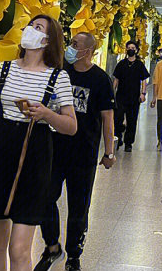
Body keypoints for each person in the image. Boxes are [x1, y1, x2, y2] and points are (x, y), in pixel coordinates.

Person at [0, 16, 78, 271]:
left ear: (48, 41)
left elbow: (71, 126)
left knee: (19, 249)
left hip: (34, 154)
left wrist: (47, 114)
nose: (29, 31)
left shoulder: (58, 77)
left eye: (38, 29)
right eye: (30, 26)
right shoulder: (4, 69)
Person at [35, 32, 116, 271]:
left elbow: (107, 118)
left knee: (79, 208)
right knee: (46, 199)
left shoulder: (101, 80)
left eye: (75, 44)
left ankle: (73, 257)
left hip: (84, 153)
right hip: (54, 148)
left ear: (88, 50)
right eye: (70, 43)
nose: (70, 48)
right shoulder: (61, 73)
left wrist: (109, 153)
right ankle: (51, 247)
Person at [112, 40, 149, 152]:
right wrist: (111, 93)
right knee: (117, 119)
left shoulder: (139, 65)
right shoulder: (121, 64)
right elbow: (116, 80)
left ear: (136, 50)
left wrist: (143, 93)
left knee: (132, 121)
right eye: (129, 47)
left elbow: (143, 80)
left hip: (134, 98)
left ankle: (129, 143)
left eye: (133, 48)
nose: (131, 49)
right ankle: (118, 139)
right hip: (120, 97)